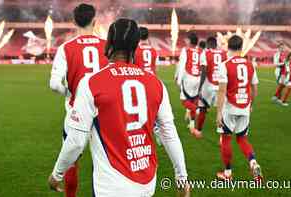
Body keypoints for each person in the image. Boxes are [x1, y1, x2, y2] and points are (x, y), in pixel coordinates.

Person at [48, 18, 190, 197]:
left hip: (111, 186)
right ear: (136, 46)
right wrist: (182, 177)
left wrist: (57, 174)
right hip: (146, 182)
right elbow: (169, 133)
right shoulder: (156, 83)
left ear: (108, 43)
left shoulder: (91, 83)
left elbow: (76, 141)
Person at [49, 3, 109, 197]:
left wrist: (69, 93)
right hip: (104, 112)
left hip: (77, 112)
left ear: (74, 22)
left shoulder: (65, 48)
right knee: (103, 163)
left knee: (72, 160)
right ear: (95, 21)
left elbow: (54, 84)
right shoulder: (108, 46)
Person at [216, 35, 263, 181]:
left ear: (228, 47)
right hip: (244, 106)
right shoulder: (250, 65)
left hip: (230, 108)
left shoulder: (224, 65)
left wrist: (218, 113)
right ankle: (253, 163)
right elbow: (254, 89)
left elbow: (222, 91)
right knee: (242, 139)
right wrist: (251, 104)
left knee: (225, 139)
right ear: (241, 48)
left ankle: (228, 173)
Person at [191, 36, 227, 138]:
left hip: (208, 86)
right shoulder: (224, 53)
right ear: (216, 44)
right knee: (221, 110)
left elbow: (204, 72)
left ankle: (198, 131)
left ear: (208, 44)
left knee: (202, 108)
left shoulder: (205, 53)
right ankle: (221, 137)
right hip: (221, 85)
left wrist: (199, 87)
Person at [176, 32, 202, 137]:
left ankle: (198, 110)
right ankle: (192, 125)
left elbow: (182, 66)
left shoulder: (185, 50)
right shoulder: (201, 51)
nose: (185, 41)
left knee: (184, 101)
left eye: (187, 39)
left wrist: (178, 81)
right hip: (198, 78)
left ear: (190, 41)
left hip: (189, 78)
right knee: (193, 101)